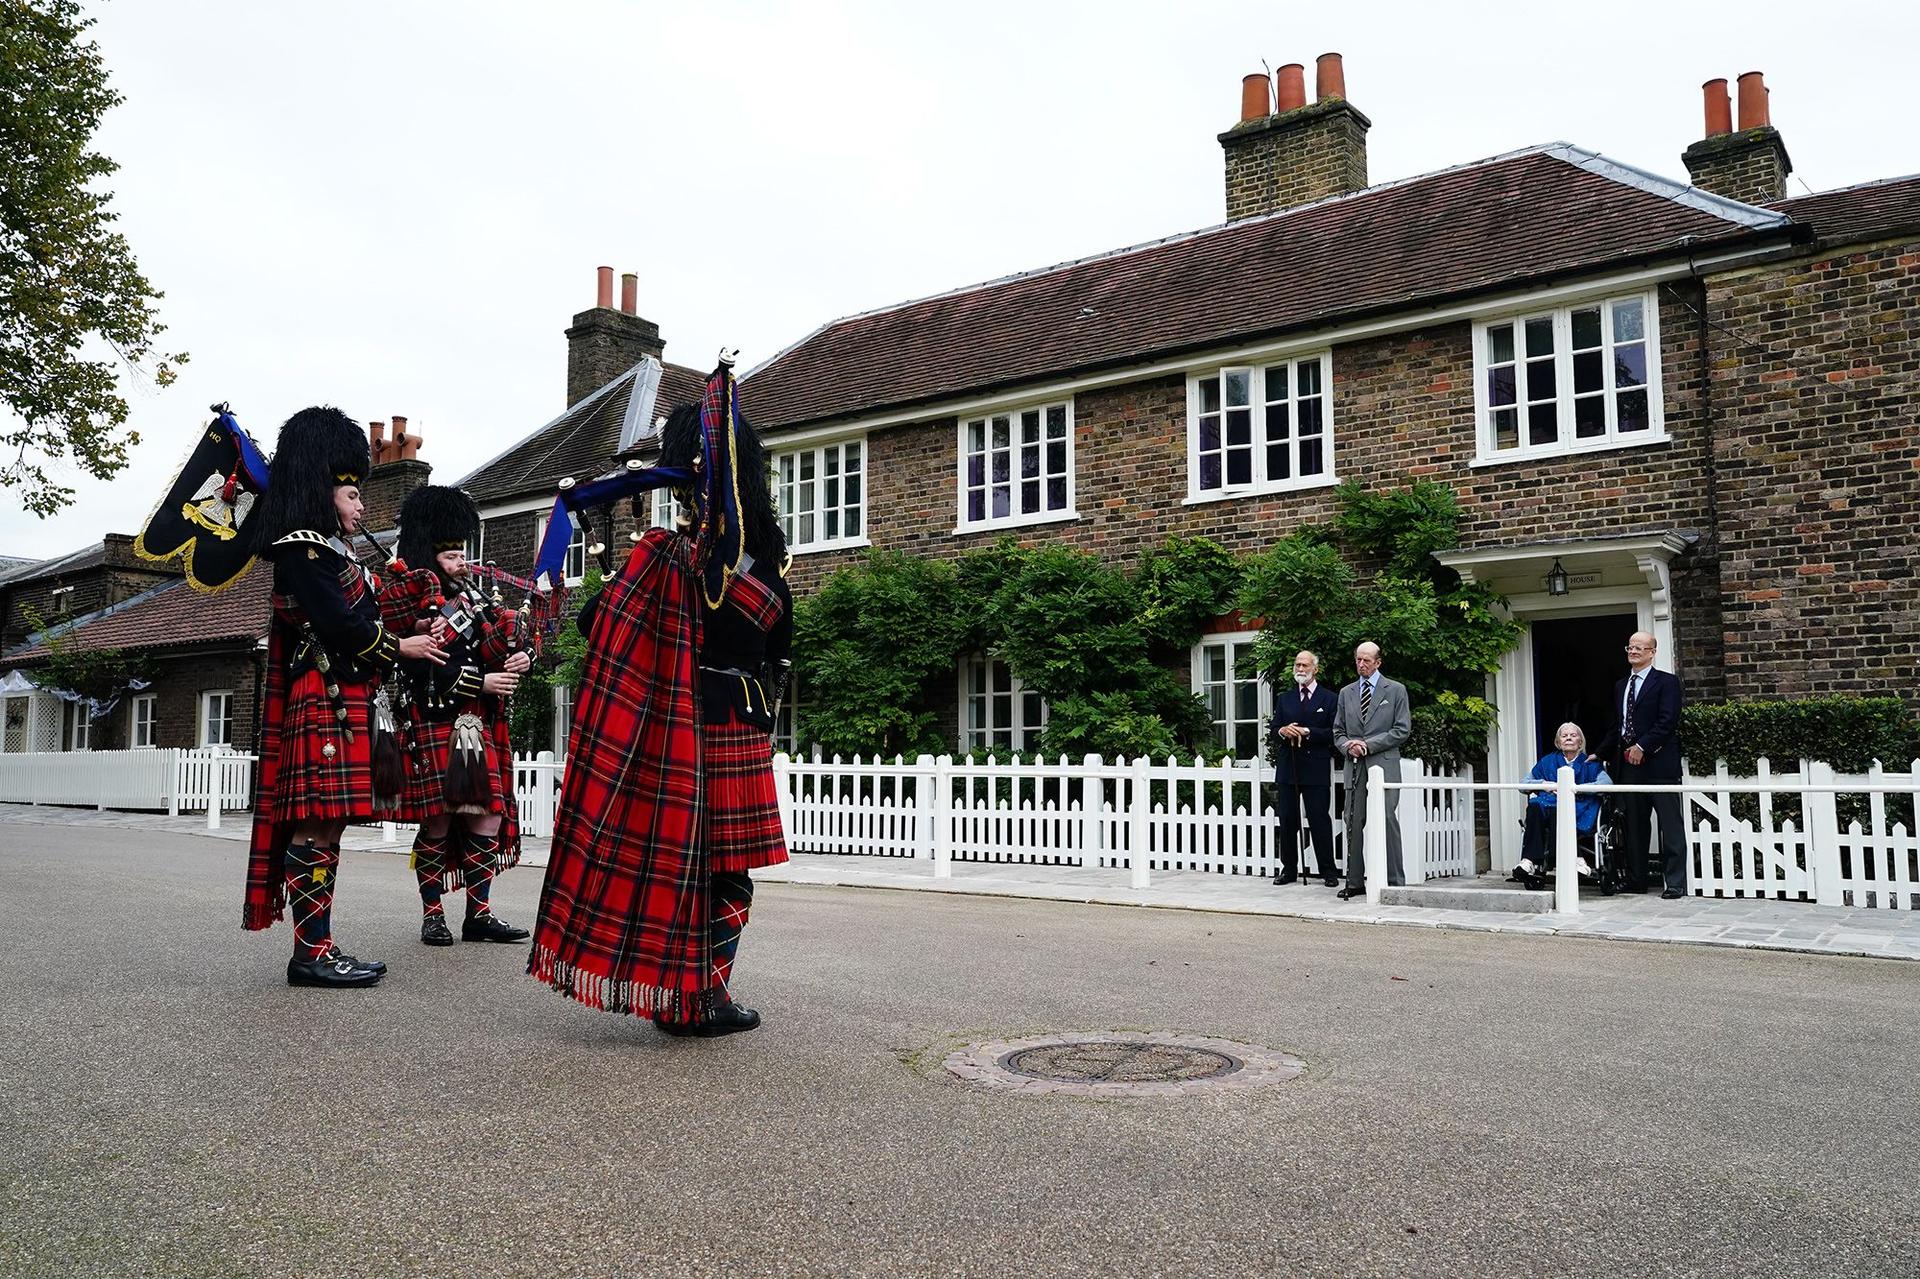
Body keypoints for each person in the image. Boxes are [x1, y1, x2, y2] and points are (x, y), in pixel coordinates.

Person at [527, 361, 792, 1037]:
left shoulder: (662, 555)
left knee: (686, 874)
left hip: (678, 731)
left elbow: (595, 626)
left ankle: (687, 995)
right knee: (727, 877)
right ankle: (700, 997)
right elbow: (776, 638)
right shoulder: (754, 562)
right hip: (732, 727)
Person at [241, 407, 445, 987]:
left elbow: (373, 606)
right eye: (352, 493)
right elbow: (339, 624)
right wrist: (399, 647)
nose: (361, 506)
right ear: (324, 491)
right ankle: (310, 954)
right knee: (315, 824)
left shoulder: (332, 552)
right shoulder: (301, 550)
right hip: (325, 694)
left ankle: (318, 948)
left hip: (345, 695)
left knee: (329, 826)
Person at [384, 485, 532, 947]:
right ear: (429, 556)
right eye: (450, 556)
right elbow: (417, 662)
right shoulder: (408, 602)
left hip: (476, 722)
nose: (460, 563)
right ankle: (433, 915)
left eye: (462, 554)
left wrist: (518, 656)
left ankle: (479, 914)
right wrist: (480, 682)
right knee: (439, 820)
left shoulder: (472, 599)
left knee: (486, 817)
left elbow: (495, 643)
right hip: (433, 716)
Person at [1594, 631, 1688, 898]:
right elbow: (1617, 725)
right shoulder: (1621, 686)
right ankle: (1638, 880)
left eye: (1639, 648)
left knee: (1669, 824)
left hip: (1659, 764)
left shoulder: (1667, 683)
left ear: (1652, 652)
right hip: (1628, 767)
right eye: (1630, 647)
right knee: (1634, 825)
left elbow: (1667, 721)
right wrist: (1599, 753)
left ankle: (1675, 883)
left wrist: (1642, 746)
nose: (1633, 651)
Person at [1333, 640, 1412, 900]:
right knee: (1353, 819)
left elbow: (1402, 730)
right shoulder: (1347, 693)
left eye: (1367, 660)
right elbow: (1338, 732)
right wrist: (1349, 746)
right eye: (1358, 659)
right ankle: (1355, 881)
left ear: (1378, 662)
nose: (1361, 664)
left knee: (1387, 819)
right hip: (1354, 766)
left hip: (1384, 764)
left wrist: (1368, 745)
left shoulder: (1396, 690)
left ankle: (1394, 880)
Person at [1510, 722, 1609, 889]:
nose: (1569, 738)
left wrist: (1577, 789)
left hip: (1581, 807)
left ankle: (1574, 859)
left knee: (1559, 811)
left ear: (1580, 742)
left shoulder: (1590, 762)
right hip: (1547, 805)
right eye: (1564, 736)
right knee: (1534, 806)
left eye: (1573, 735)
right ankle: (1529, 861)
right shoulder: (1548, 761)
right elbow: (1523, 784)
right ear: (1558, 742)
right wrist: (1544, 784)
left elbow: (1607, 783)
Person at [1268, 650, 1338, 886]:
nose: (1300, 669)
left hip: (1315, 767)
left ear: (1315, 669)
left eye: (1305, 665)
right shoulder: (1285, 698)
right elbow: (1273, 729)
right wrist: (1283, 731)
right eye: (1297, 665)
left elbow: (1333, 733)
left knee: (1319, 818)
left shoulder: (1329, 699)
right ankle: (1288, 869)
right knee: (1287, 819)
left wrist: (1307, 732)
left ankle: (1328, 871)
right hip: (1289, 766)